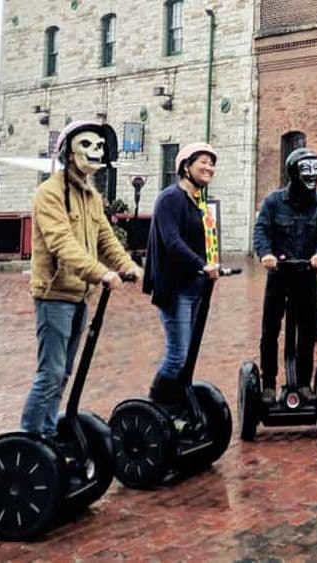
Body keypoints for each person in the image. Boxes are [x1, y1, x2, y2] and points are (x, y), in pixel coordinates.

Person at [22, 120, 142, 437]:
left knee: (64, 373)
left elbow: (106, 239)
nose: (95, 151)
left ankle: (47, 434)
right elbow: (62, 244)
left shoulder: (90, 196)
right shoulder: (49, 194)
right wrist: (101, 272)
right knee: (51, 373)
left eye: (100, 146)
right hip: (54, 296)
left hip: (79, 296)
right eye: (87, 145)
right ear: (68, 152)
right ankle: (29, 440)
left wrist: (128, 265)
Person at [253, 148, 317, 403]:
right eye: (305, 172)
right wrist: (266, 254)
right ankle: (268, 383)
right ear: (294, 173)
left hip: (306, 274)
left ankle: (302, 382)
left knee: (308, 330)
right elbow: (262, 229)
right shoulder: (274, 201)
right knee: (270, 330)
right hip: (279, 274)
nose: (311, 177)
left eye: (314, 172)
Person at [143, 143, 221, 404]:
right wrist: (202, 264)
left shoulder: (197, 202)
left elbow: (205, 240)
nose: (209, 167)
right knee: (177, 355)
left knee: (186, 354)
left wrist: (213, 262)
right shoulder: (170, 198)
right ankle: (155, 404)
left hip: (195, 286)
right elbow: (172, 241)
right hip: (175, 288)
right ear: (185, 166)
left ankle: (175, 403)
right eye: (203, 162)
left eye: (212, 163)